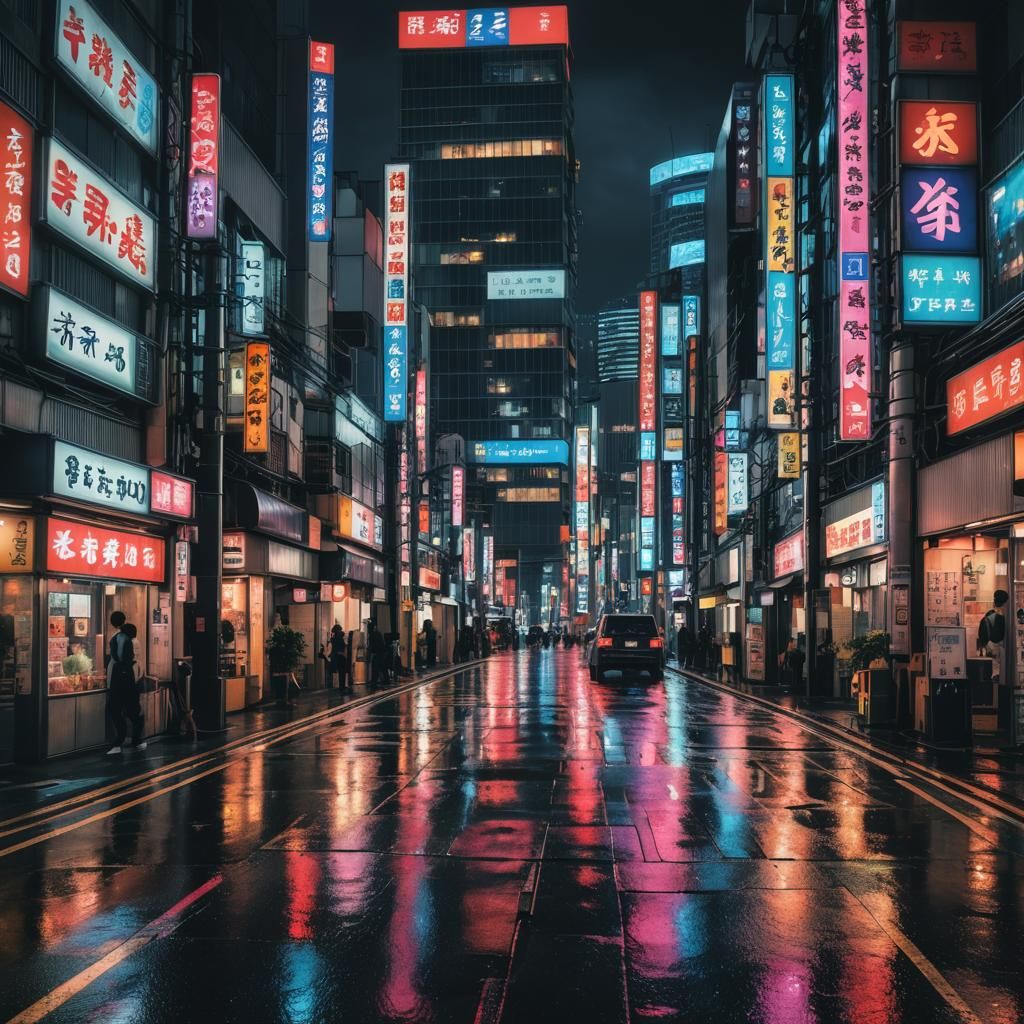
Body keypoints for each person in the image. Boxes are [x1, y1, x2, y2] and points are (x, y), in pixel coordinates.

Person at [107, 620, 144, 753]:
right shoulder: (132, 642)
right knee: (133, 712)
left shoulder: (122, 641)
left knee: (117, 710)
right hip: (130, 681)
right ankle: (136, 740)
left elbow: (119, 658)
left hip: (122, 680)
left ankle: (121, 741)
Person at [978, 590, 1008, 683]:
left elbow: (982, 639)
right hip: (1007, 667)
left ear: (994, 602)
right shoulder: (1010, 620)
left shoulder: (986, 620)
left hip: (990, 665)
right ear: (1006, 603)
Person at [327, 624, 347, 689]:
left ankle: (339, 686)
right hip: (341, 657)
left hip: (335, 656)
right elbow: (344, 646)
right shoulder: (340, 638)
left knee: (337, 671)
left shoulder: (332, 639)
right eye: (340, 630)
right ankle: (342, 686)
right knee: (342, 672)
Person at [367, 621, 387, 686]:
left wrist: (370, 654)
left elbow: (371, 646)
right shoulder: (378, 634)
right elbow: (382, 643)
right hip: (381, 653)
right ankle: (386, 680)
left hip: (376, 654)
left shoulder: (371, 635)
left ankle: (374, 682)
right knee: (383, 668)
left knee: (375, 669)